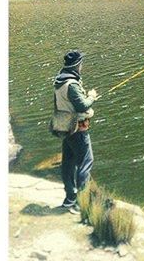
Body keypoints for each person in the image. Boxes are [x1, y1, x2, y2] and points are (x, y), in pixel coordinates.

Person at [52, 50, 99, 213]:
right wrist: (91, 96)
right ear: (77, 65)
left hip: (65, 127)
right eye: (81, 63)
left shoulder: (59, 80)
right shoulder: (71, 84)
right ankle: (81, 202)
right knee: (86, 163)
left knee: (68, 164)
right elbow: (82, 105)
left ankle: (69, 198)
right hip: (78, 129)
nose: (82, 66)